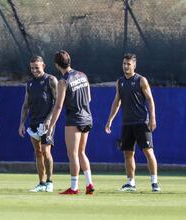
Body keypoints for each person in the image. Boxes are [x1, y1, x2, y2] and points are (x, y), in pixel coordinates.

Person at [105, 53, 160, 192]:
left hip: (142, 122)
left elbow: (150, 100)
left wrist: (152, 118)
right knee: (128, 154)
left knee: (148, 152)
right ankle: (131, 183)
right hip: (127, 124)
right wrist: (110, 120)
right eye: (124, 63)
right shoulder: (120, 82)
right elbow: (116, 102)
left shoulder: (141, 80)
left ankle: (155, 183)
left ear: (134, 65)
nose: (126, 66)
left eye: (128, 64)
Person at [47, 50, 95, 195]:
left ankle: (74, 187)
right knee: (81, 152)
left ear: (56, 65)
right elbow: (89, 98)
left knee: (72, 154)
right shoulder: (82, 75)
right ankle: (89, 183)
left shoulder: (63, 81)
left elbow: (59, 105)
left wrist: (51, 125)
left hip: (74, 119)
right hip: (87, 117)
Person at [18, 56, 57, 192]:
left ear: (43, 66)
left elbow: (56, 103)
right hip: (33, 122)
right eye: (32, 68)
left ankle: (49, 182)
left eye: (37, 68)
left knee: (46, 151)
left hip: (47, 122)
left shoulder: (51, 80)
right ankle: (41, 183)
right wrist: (22, 123)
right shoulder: (29, 84)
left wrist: (49, 120)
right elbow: (25, 105)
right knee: (38, 152)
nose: (34, 70)